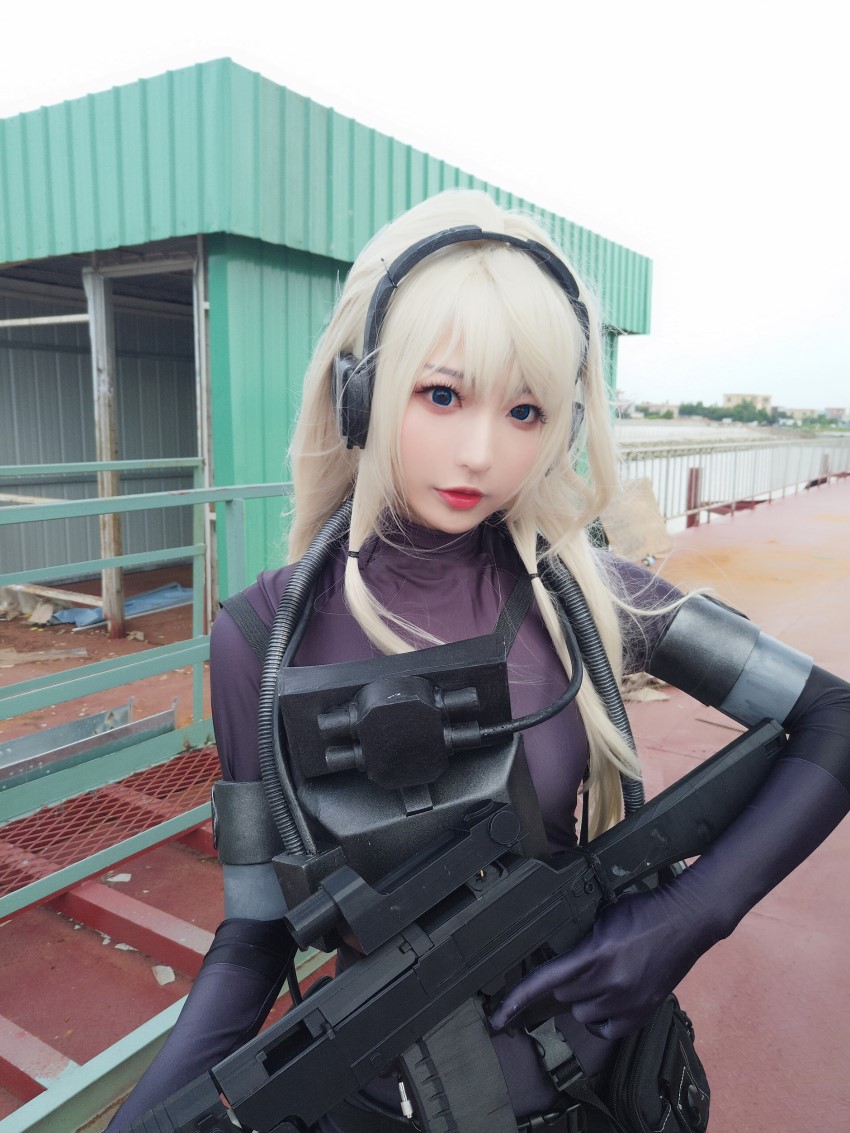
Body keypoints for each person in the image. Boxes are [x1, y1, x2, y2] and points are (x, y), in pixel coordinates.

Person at [107, 190, 850, 1132]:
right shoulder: (258, 639)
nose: (482, 452)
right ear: (360, 392)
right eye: (442, 394)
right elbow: (255, 936)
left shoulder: (587, 596)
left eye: (526, 409)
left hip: (601, 1094)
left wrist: (686, 918)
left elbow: (833, 716)